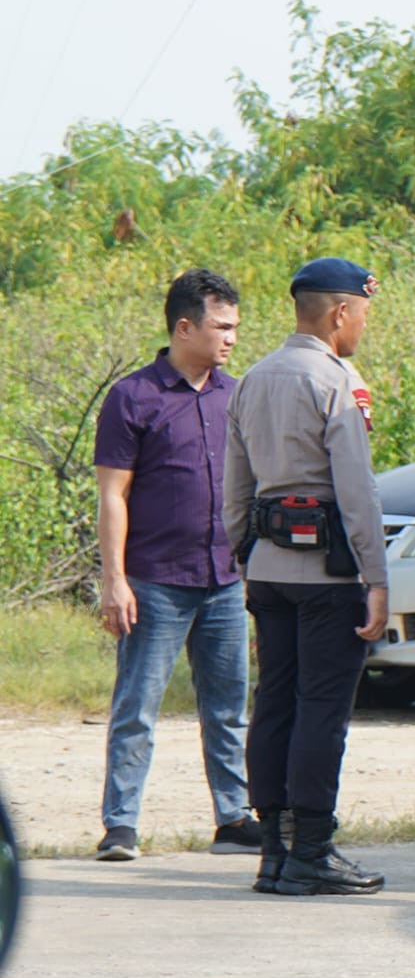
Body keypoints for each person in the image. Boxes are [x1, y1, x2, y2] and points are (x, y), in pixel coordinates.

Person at [224, 257, 389, 896]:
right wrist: (377, 578)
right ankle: (312, 849)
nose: (363, 327)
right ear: (340, 313)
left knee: (275, 701)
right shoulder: (337, 381)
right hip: (330, 573)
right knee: (322, 708)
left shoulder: (252, 378)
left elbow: (235, 489)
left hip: (268, 569)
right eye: (363, 315)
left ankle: (275, 850)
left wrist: (247, 559)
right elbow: (357, 491)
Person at [92, 269, 257, 862]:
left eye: (235, 327)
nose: (231, 338)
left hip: (224, 580)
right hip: (155, 581)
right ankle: (121, 825)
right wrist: (115, 580)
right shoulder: (133, 397)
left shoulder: (236, 395)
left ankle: (234, 818)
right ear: (184, 327)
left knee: (228, 708)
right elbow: (113, 495)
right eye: (221, 326)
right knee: (137, 708)